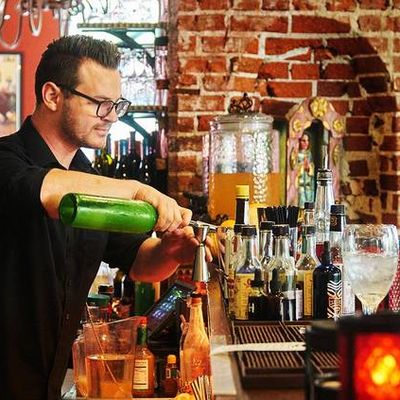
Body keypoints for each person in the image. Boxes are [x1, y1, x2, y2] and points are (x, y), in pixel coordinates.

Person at [0, 35, 211, 400]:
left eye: (116, 105)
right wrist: (138, 190)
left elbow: (140, 263)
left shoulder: (90, 177)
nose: (112, 116)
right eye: (100, 103)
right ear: (52, 96)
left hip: (47, 384)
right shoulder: (7, 161)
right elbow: (47, 190)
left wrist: (172, 251)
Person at [296, 131, 315, 208]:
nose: (306, 143)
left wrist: (309, 167)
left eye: (307, 141)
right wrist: (302, 166)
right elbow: (294, 169)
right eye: (303, 141)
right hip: (300, 184)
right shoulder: (297, 154)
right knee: (301, 203)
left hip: (308, 185)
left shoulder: (309, 154)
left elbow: (312, 168)